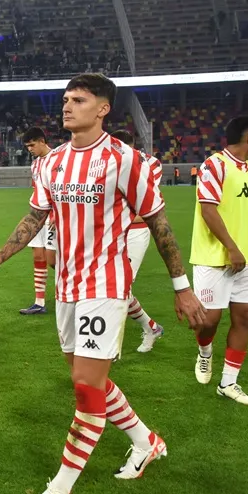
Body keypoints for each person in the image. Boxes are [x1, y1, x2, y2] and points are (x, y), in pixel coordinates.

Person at [0, 73, 205, 494]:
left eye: (78, 100)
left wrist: (182, 288)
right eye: (65, 99)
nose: (66, 106)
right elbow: (36, 216)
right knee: (88, 380)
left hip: (106, 284)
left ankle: (60, 489)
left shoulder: (126, 160)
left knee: (84, 387)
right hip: (68, 286)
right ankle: (145, 442)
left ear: (102, 109)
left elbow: (159, 225)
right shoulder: (52, 163)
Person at [191, 116, 248, 406]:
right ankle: (205, 353)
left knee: (245, 317)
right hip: (213, 257)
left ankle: (228, 383)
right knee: (209, 320)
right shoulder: (214, 165)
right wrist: (232, 248)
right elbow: (208, 210)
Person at [111, 130, 165, 353]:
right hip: (111, 232)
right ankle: (151, 327)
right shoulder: (105, 161)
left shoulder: (150, 164)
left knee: (121, 287)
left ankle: (111, 347)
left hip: (135, 231)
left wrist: (117, 214)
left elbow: (147, 206)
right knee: (112, 286)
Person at [19, 128, 57, 315]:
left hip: (53, 216)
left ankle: (70, 290)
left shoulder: (58, 159)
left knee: (52, 259)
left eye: (32, 145)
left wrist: (58, 213)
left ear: (42, 141)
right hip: (38, 215)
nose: (30, 149)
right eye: (27, 147)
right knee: (38, 256)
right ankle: (39, 302)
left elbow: (61, 189)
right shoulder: (35, 165)